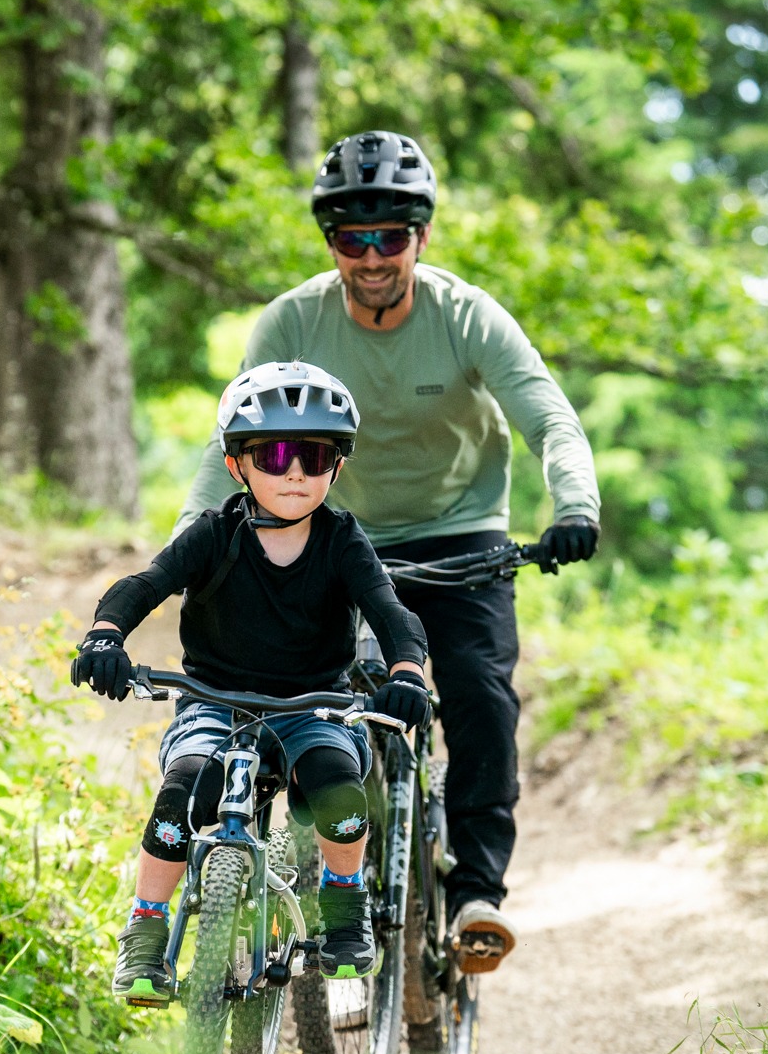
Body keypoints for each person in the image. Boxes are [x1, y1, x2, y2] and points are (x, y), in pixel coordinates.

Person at [175, 130, 601, 976]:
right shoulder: (294, 320)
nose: (371, 256)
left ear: (422, 237)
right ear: (330, 241)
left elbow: (549, 416)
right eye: (350, 237)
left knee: (477, 688)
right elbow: (223, 442)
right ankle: (266, 878)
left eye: (391, 236)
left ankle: (477, 890)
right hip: (332, 534)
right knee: (281, 685)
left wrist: (575, 504)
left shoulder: (466, 316)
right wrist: (190, 538)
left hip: (460, 536)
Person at [72, 361, 431, 1004]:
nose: (295, 471)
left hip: (313, 705)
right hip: (215, 705)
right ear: (237, 464)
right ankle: (147, 930)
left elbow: (390, 612)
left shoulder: (343, 542)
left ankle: (344, 903)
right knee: (182, 795)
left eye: (314, 455)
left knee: (338, 786)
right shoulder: (215, 534)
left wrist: (406, 672)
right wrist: (105, 635)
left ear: (337, 467)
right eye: (275, 453)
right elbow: (142, 586)